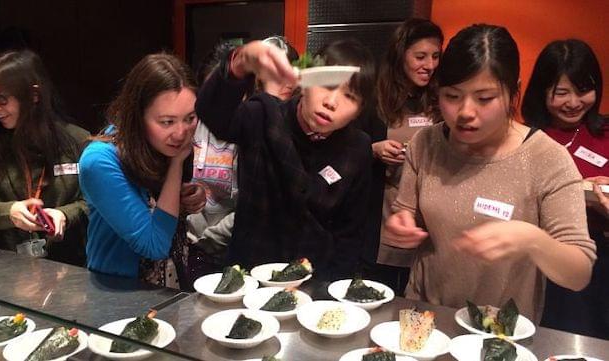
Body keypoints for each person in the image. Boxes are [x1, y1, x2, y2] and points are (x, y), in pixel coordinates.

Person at [383, 24, 596, 322]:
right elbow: (407, 209)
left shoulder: (547, 158)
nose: (465, 111)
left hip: (499, 330)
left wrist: (533, 240)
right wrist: (402, 223)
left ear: (513, 92)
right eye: (452, 96)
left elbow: (579, 272)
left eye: (484, 98)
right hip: (426, 316)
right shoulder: (426, 143)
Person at [196, 39, 375, 280]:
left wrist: (330, 290)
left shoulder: (358, 147)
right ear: (305, 81)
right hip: (249, 277)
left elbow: (350, 233)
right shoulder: (264, 114)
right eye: (325, 85)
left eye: (350, 96)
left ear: (360, 110)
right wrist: (238, 64)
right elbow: (211, 112)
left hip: (314, 282)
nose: (331, 102)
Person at [79, 53, 205, 287]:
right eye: (167, 121)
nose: (181, 133)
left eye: (190, 118)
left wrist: (183, 198)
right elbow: (154, 244)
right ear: (137, 116)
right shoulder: (99, 161)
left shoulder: (160, 143)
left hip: (170, 284)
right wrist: (176, 165)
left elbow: (158, 207)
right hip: (119, 292)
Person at [0, 50, 89, 266]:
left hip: (71, 270)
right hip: (3, 271)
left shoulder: (78, 142)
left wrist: (65, 214)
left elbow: (96, 203)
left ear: (33, 95)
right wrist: (8, 212)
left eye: (1, 98)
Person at [522, 39, 608, 337]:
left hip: (598, 261)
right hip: (537, 258)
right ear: (542, 91)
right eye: (561, 93)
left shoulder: (606, 133)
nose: (574, 102)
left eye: (583, 91)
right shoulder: (526, 138)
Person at [360, 18, 443, 295]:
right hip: (382, 213)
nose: (429, 65)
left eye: (435, 56)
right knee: (379, 294)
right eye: (420, 56)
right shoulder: (375, 99)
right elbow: (346, 150)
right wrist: (373, 149)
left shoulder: (439, 99)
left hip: (428, 214)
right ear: (400, 56)